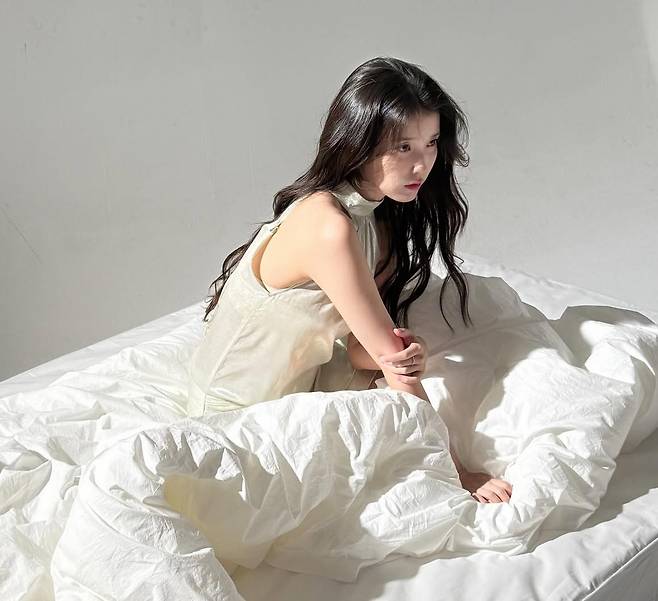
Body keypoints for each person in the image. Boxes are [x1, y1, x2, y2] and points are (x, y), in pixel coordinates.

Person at [187, 56, 513, 504]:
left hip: (303, 383)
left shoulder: (379, 224)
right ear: (359, 141)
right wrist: (458, 472)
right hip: (234, 417)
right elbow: (385, 361)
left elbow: (361, 349)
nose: (422, 165)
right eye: (403, 147)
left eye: (432, 143)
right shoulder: (328, 226)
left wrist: (404, 351)